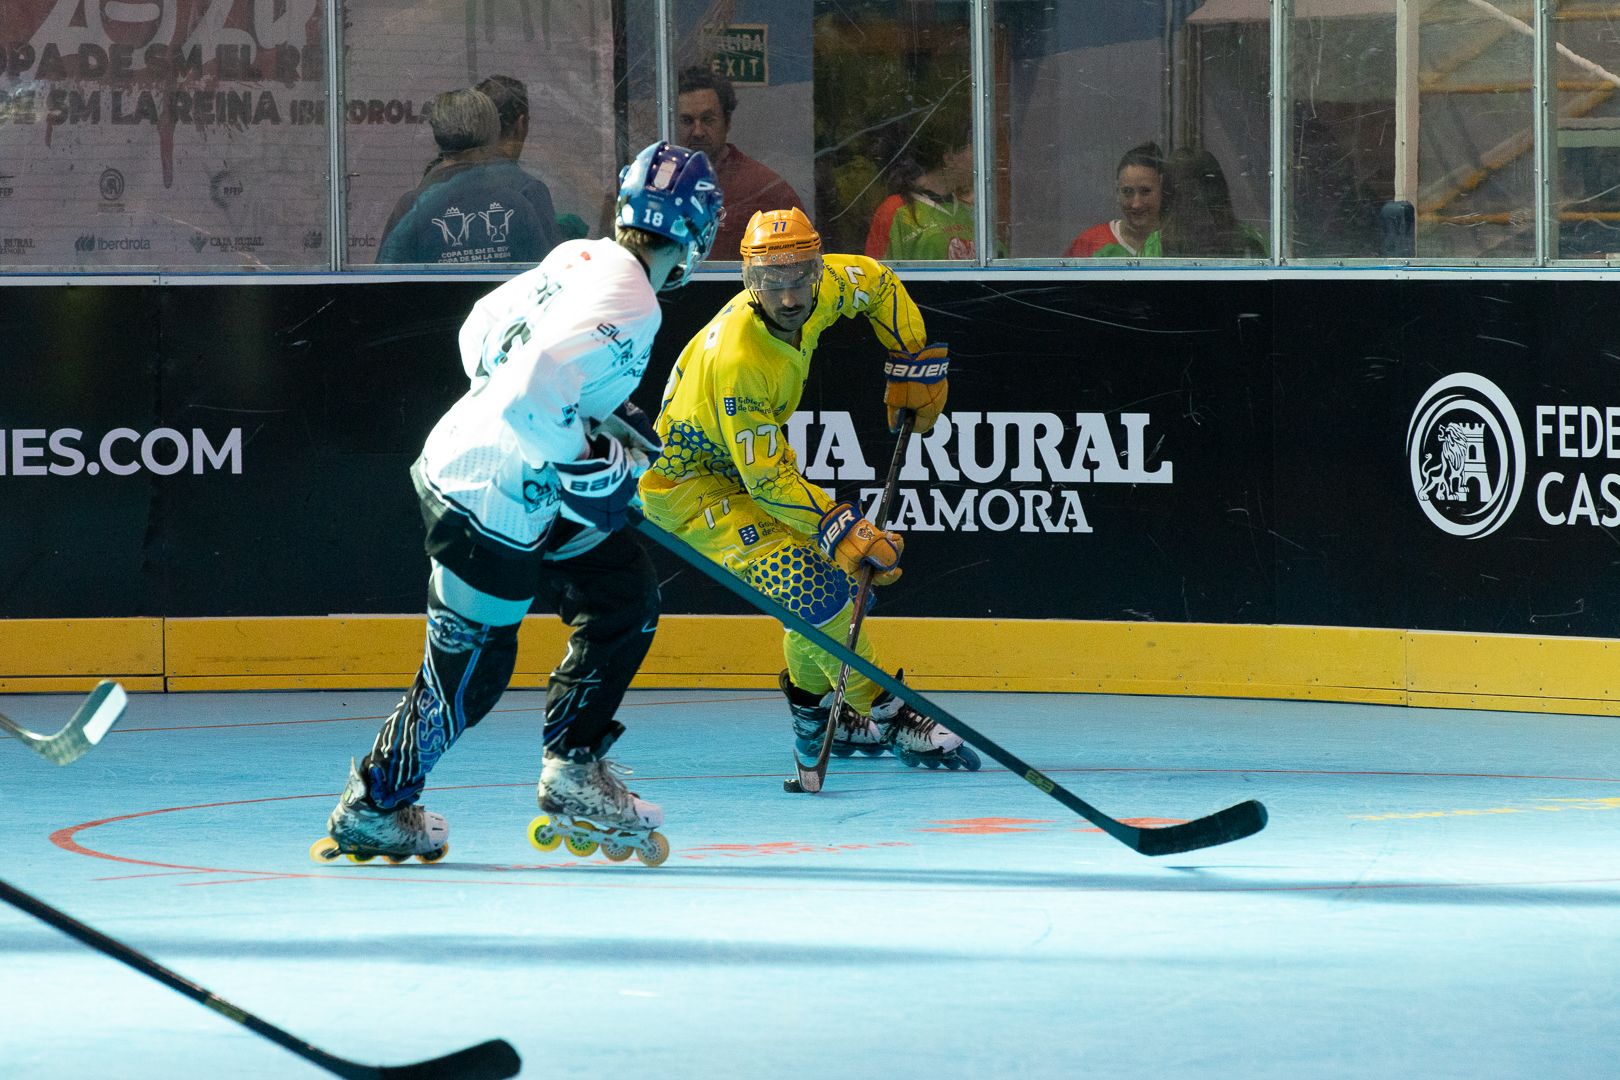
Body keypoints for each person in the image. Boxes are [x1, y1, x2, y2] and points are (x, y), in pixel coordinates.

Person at [316, 141, 723, 868]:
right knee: (471, 670)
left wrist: (597, 413)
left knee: (622, 589)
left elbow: (482, 334)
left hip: (507, 473)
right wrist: (593, 470)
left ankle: (574, 764)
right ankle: (375, 803)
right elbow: (534, 388)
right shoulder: (635, 306)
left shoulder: (581, 258)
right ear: (699, 229)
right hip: (487, 494)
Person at [638, 207, 981, 776]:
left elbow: (877, 283)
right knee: (815, 589)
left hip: (752, 470)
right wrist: (842, 527)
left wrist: (911, 362)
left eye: (800, 275)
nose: (790, 296)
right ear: (750, 281)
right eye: (772, 282)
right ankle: (893, 715)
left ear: (818, 268)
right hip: (693, 490)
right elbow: (767, 483)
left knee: (833, 593)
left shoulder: (822, 292)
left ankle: (814, 719)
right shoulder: (739, 361)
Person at [376, 87, 560, 264]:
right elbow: (543, 275)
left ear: (437, 134)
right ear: (493, 134)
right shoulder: (517, 204)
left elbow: (387, 277)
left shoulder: (413, 207)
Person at [676, 65, 806, 259]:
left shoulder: (764, 191)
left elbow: (803, 268)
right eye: (687, 121)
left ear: (727, 122)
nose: (698, 132)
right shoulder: (658, 185)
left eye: (708, 119)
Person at [864, 117, 977, 261]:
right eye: (973, 147)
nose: (980, 156)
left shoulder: (970, 212)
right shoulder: (895, 209)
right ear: (949, 157)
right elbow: (875, 274)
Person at [1141, 147, 1267, 259]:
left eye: (1205, 187)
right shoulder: (1156, 245)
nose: (1200, 198)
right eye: (1189, 191)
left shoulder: (1248, 240)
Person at [1066, 142, 1164, 258]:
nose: (1136, 204)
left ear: (1162, 188)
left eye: (1145, 191)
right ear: (1117, 191)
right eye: (1127, 192)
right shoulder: (1089, 243)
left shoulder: (1176, 243)